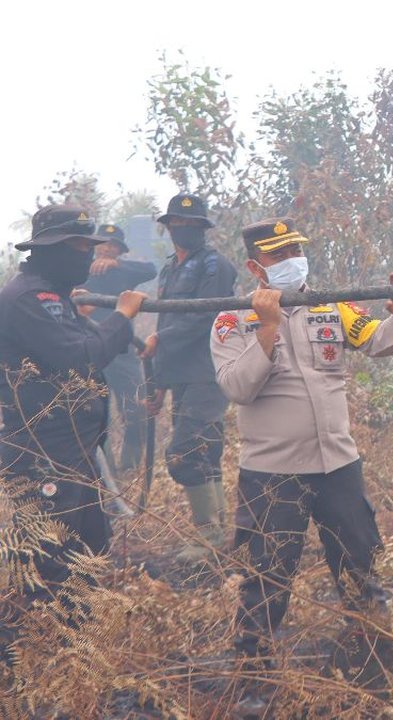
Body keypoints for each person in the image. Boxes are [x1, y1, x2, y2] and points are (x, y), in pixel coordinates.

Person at [210, 218, 393, 712]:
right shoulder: (230, 319)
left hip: (337, 465)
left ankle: (376, 658)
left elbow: (377, 338)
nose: (290, 263)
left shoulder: (331, 306)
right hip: (272, 471)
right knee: (268, 576)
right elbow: (236, 387)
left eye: (294, 253)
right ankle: (254, 678)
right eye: (278, 257)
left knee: (360, 566)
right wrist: (266, 330)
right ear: (255, 266)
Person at [0, 205, 145, 653]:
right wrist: (122, 317)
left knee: (88, 551)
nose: (87, 256)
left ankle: (79, 651)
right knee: (45, 558)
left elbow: (79, 342)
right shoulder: (29, 298)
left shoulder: (54, 295)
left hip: (75, 453)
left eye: (90, 247)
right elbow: (80, 357)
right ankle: (30, 658)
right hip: (43, 454)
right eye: (79, 247)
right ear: (51, 249)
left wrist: (97, 320)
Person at [139, 193, 237, 564]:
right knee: (205, 453)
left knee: (183, 454)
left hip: (207, 374)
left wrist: (159, 339)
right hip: (179, 376)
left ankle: (209, 535)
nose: (183, 229)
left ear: (203, 228)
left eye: (192, 224)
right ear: (168, 226)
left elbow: (201, 319)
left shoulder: (216, 266)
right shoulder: (169, 269)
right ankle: (219, 534)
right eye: (177, 223)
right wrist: (160, 385)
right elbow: (167, 322)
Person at [79, 223, 156, 476]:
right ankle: (106, 471)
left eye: (114, 246)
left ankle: (130, 465)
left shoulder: (125, 271)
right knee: (93, 413)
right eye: (103, 243)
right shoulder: (80, 267)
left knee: (135, 408)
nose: (107, 248)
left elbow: (151, 269)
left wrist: (118, 265)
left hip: (123, 352)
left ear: (120, 251)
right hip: (89, 352)